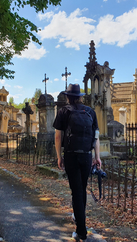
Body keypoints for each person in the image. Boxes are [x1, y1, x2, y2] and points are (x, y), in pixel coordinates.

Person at [53, 83, 101, 241]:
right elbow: (96, 137)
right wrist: (97, 157)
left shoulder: (63, 111)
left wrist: (59, 156)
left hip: (72, 155)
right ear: (80, 97)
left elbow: (58, 136)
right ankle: (79, 217)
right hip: (87, 156)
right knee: (82, 188)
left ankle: (81, 231)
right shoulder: (90, 112)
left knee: (77, 192)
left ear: (68, 97)